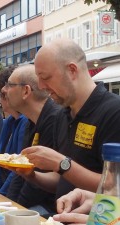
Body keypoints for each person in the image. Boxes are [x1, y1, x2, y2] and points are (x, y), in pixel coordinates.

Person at [14, 38, 120, 205]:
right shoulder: (62, 115)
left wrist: (61, 163)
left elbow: (115, 186)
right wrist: (31, 175)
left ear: (72, 70)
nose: (41, 86)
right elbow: (62, 180)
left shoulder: (114, 112)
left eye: (45, 77)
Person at [0, 64, 61, 215]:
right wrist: (10, 206)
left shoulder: (55, 120)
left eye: (9, 85)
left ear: (26, 91)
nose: (4, 90)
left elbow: (38, 187)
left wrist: (15, 212)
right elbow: (21, 173)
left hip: (51, 209)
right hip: (34, 203)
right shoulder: (31, 121)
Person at [0, 66, 28, 195]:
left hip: (13, 194)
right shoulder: (8, 122)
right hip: (3, 191)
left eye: (1, 94)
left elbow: (17, 169)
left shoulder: (25, 122)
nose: (0, 99)